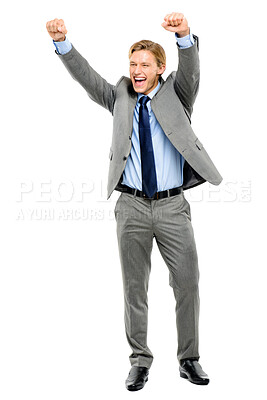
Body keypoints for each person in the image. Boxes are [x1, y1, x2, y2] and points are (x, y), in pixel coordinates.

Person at [46, 12, 222, 390]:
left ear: (160, 68)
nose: (137, 69)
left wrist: (184, 37)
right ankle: (140, 360)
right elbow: (86, 76)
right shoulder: (119, 96)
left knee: (187, 283)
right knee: (134, 288)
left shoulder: (178, 93)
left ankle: (189, 358)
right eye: (132, 63)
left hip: (173, 207)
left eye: (145, 64)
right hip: (131, 208)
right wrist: (63, 43)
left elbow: (190, 70)